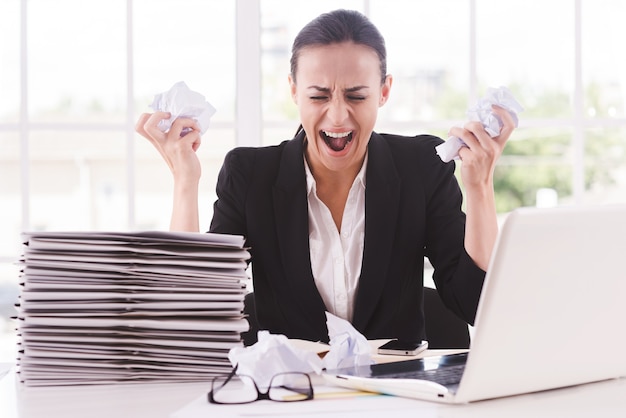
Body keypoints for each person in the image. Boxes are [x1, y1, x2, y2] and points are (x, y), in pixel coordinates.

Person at [135, 9, 515, 344]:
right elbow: (192, 314)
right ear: (294, 91)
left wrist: (480, 187)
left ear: (384, 92)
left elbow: (478, 305)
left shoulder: (422, 167)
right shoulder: (250, 176)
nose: (337, 116)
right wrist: (185, 182)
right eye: (318, 96)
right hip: (293, 396)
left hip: (396, 396)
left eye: (356, 96)